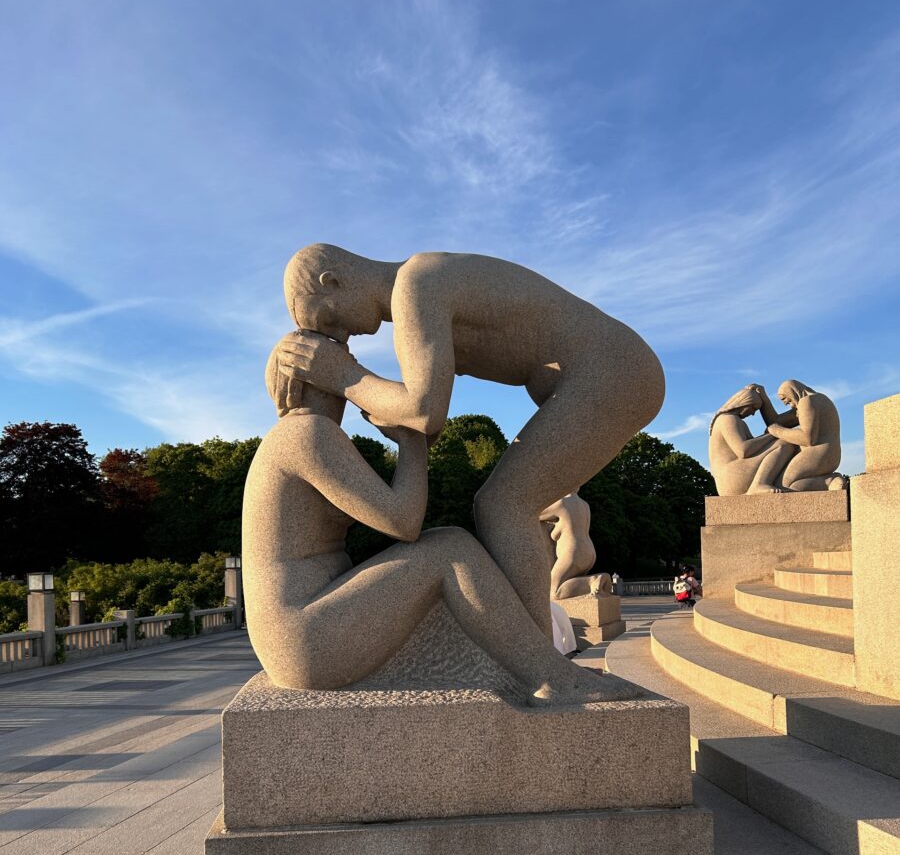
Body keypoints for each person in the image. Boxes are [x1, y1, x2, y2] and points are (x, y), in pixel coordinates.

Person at [273, 245, 665, 637]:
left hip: (611, 371)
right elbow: (427, 422)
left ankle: (539, 656)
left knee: (504, 506)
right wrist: (386, 407)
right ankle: (535, 650)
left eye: (327, 319)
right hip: (602, 372)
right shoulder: (419, 289)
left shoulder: (415, 285)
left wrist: (343, 375)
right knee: (506, 505)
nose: (339, 335)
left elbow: (424, 411)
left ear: (334, 281)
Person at [241, 333, 635, 704]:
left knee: (446, 557)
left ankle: (538, 666)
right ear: (310, 377)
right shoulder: (308, 433)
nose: (353, 382)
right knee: (450, 548)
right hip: (303, 639)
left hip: (300, 635)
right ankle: (553, 677)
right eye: (341, 366)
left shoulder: (296, 437)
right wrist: (412, 444)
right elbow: (403, 522)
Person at [754, 380, 845, 491]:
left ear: (792, 391)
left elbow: (808, 438)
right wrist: (763, 398)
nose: (784, 403)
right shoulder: (820, 400)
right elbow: (776, 421)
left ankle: (828, 481)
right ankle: (828, 480)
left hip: (819, 453)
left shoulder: (806, 402)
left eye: (783, 398)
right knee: (788, 485)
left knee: (782, 485)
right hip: (832, 455)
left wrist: (777, 431)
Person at [708, 385, 797, 495]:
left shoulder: (732, 420)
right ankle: (759, 484)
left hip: (731, 477)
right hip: (732, 477)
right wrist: (774, 434)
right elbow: (743, 450)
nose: (753, 413)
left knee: (780, 442)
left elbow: (754, 448)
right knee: (784, 444)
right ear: (744, 403)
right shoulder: (728, 419)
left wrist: (771, 434)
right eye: (753, 408)